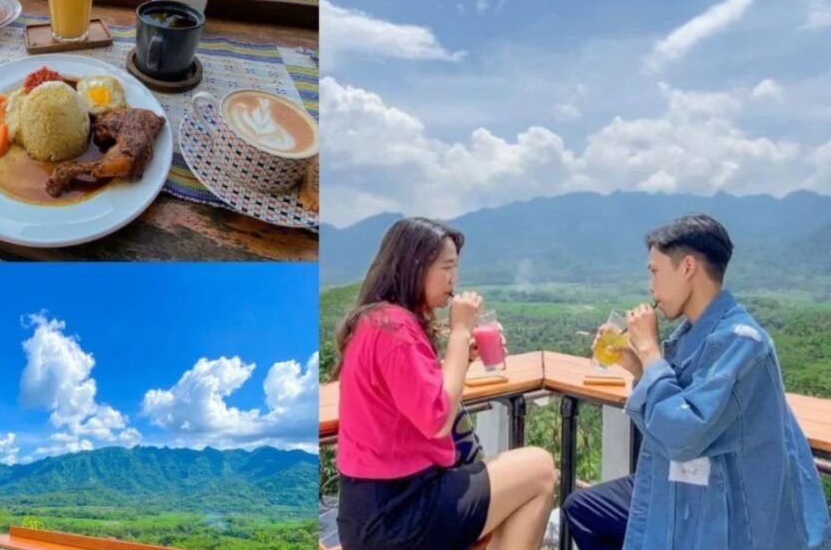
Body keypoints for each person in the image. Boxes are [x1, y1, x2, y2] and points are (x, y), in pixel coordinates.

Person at [561, 214, 831, 549]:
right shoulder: (692, 336)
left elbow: (682, 434)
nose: (651, 287)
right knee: (584, 508)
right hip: (686, 487)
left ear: (688, 267)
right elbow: (678, 407)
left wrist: (648, 350)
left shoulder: (743, 342)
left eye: (655, 271)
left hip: (725, 507)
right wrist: (637, 365)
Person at [334, 217, 557, 550]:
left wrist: (460, 358)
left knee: (511, 492)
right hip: (400, 511)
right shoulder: (394, 328)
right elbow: (436, 417)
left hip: (369, 510)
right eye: (446, 267)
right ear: (414, 267)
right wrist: (461, 331)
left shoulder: (377, 320)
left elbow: (414, 392)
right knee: (540, 468)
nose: (454, 278)